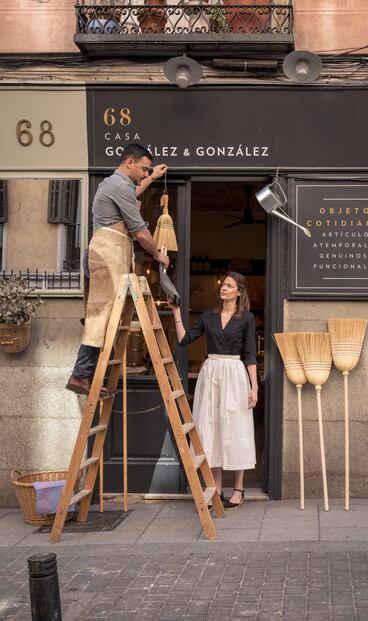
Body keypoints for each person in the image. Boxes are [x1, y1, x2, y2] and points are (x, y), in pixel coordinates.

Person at [66, 143, 169, 398]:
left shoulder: (117, 184)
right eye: (145, 169)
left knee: (106, 312)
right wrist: (158, 256)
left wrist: (154, 177)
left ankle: (86, 375)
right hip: (107, 253)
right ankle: (80, 376)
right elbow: (140, 231)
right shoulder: (119, 186)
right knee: (101, 313)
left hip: (109, 252)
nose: (146, 174)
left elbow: (133, 192)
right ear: (129, 162)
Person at [168, 272, 258, 510]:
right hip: (211, 374)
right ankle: (216, 487)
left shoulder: (247, 318)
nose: (224, 288)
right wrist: (177, 313)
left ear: (239, 292)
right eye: (223, 285)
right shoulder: (210, 315)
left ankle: (238, 488)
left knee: (237, 428)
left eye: (230, 285)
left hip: (235, 373)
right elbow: (185, 340)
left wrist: (254, 387)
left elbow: (250, 355)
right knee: (211, 427)